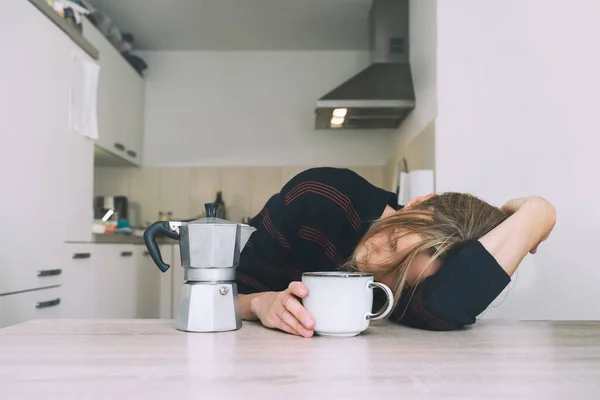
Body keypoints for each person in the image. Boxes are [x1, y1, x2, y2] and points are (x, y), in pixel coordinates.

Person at [236, 167, 556, 338]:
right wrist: (260, 303)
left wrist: (536, 214)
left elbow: (444, 305)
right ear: (417, 203)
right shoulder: (320, 198)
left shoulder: (427, 286)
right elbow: (216, 301)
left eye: (395, 274)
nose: (375, 263)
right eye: (392, 242)